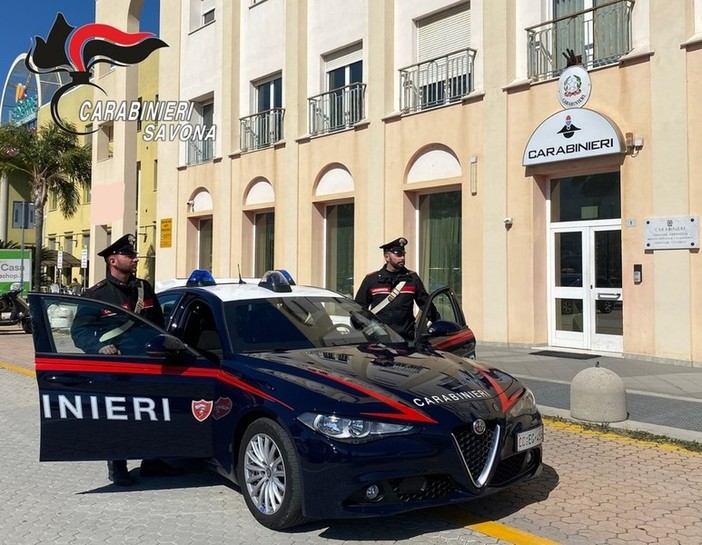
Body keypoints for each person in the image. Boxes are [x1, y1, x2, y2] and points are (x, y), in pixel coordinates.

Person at [69, 233, 177, 486]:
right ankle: (118, 465)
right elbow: (79, 331)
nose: (135, 258)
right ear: (113, 261)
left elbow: (158, 325)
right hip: (118, 367)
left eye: (134, 254)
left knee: (154, 414)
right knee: (120, 417)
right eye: (129, 255)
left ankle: (153, 461)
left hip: (149, 363)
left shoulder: (144, 288)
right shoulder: (97, 295)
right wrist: (99, 347)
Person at [354, 237, 436, 341]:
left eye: (403, 254)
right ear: (387, 257)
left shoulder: (412, 278)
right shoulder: (372, 280)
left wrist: (438, 324)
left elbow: (426, 304)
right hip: (379, 341)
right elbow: (359, 309)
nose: (402, 258)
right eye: (398, 254)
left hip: (406, 340)